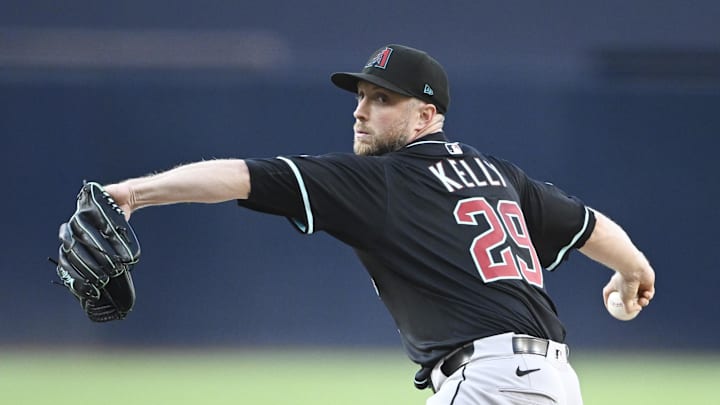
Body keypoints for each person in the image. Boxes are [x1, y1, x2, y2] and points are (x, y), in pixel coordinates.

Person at [101, 44, 655, 404]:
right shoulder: (499, 175)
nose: (360, 111)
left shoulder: (383, 181)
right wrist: (634, 269)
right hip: (553, 385)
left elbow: (240, 176)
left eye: (382, 99)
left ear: (427, 115)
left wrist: (133, 193)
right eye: (361, 96)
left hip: (491, 387)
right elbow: (588, 225)